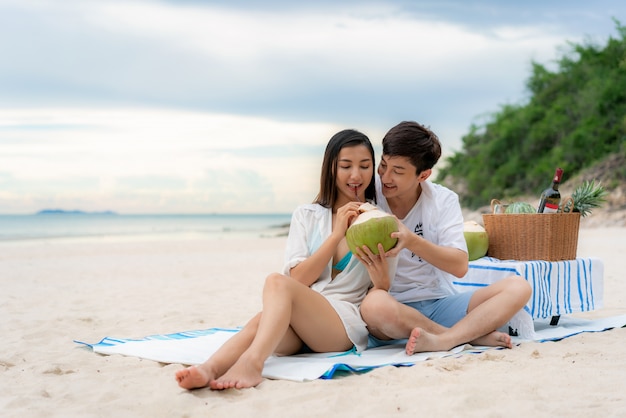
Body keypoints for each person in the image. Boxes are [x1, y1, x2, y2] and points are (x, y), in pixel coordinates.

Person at [175, 129, 392, 390]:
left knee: (276, 282)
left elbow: (381, 289)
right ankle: (208, 368)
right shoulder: (307, 215)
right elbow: (300, 278)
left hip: (341, 326)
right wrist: (336, 236)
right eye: (345, 166)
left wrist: (379, 274)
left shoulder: (380, 221)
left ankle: (253, 363)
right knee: (260, 322)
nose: (355, 175)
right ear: (331, 168)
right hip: (304, 320)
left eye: (364, 166)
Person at [357, 121, 532, 355]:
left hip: (439, 303)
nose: (386, 177)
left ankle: (443, 340)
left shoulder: (443, 199)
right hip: (392, 309)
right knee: (373, 305)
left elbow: (459, 266)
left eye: (398, 171)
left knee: (519, 286)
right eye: (383, 165)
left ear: (424, 175)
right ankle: (462, 337)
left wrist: (411, 240)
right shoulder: (368, 193)